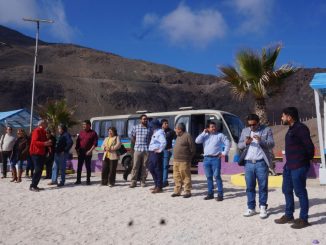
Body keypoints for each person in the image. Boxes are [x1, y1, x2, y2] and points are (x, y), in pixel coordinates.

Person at [274, 107, 314, 229]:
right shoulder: (291, 129)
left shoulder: (301, 128)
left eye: (283, 116)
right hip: (289, 167)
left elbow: (310, 148)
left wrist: (302, 162)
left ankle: (303, 219)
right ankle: (289, 215)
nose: (281, 118)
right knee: (286, 190)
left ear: (289, 117)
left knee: (300, 192)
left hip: (299, 166)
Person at [238, 114, 275, 218]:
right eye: (249, 125)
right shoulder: (245, 131)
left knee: (263, 186)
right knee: (249, 187)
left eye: (254, 124)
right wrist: (245, 142)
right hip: (248, 163)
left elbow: (272, 144)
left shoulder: (266, 130)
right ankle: (251, 208)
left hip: (261, 163)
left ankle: (263, 207)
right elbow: (239, 145)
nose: (252, 127)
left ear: (258, 122)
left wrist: (261, 141)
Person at [195, 121, 230, 201]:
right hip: (206, 159)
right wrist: (204, 133)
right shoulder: (205, 136)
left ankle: (220, 194)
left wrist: (224, 153)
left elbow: (227, 143)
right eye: (212, 127)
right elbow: (197, 141)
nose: (214, 128)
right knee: (209, 177)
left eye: (214, 126)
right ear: (207, 128)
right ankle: (210, 194)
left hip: (216, 158)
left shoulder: (219, 135)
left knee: (217, 176)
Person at [171, 123, 196, 198]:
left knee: (185, 176)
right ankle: (177, 191)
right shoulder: (178, 136)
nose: (174, 130)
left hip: (184, 161)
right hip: (176, 160)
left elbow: (193, 149)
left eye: (175, 128)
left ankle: (187, 191)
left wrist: (189, 158)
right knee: (176, 176)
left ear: (179, 129)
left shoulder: (187, 136)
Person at [29, 120, 52, 192]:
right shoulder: (37, 131)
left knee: (40, 169)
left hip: (41, 153)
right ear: (41, 124)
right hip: (36, 153)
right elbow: (34, 142)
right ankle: (32, 186)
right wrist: (45, 143)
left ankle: (35, 185)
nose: (46, 124)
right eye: (45, 123)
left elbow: (45, 142)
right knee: (38, 169)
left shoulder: (43, 131)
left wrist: (48, 144)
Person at [129, 114, 151, 188]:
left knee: (145, 166)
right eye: (143, 119)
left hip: (146, 150)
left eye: (146, 119)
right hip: (137, 150)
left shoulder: (149, 128)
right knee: (135, 166)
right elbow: (132, 136)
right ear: (140, 120)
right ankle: (133, 181)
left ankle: (143, 181)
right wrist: (136, 143)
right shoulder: (136, 127)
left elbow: (151, 138)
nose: (145, 120)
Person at [75, 120, 98, 185]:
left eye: (84, 124)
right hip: (81, 152)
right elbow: (77, 143)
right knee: (79, 166)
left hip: (88, 152)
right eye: (83, 125)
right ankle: (78, 180)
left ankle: (88, 180)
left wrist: (90, 151)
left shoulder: (93, 133)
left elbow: (95, 144)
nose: (83, 126)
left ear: (89, 125)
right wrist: (77, 151)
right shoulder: (81, 133)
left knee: (88, 166)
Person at [148, 120, 166, 193]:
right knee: (151, 168)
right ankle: (156, 184)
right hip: (152, 152)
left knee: (157, 169)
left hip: (156, 154)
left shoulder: (160, 132)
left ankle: (159, 187)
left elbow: (164, 142)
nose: (151, 127)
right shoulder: (155, 132)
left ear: (155, 125)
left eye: (152, 125)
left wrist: (160, 150)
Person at [161, 119, 176, 187]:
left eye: (167, 123)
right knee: (160, 166)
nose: (167, 124)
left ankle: (164, 181)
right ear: (162, 124)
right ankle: (160, 180)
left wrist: (172, 148)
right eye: (165, 123)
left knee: (165, 166)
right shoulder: (159, 131)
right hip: (159, 151)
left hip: (167, 150)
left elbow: (176, 139)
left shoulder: (171, 131)